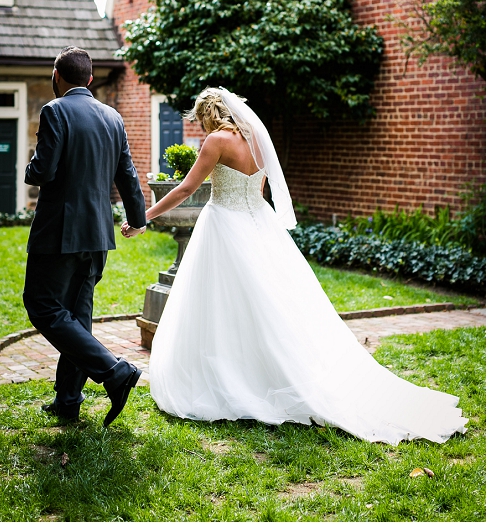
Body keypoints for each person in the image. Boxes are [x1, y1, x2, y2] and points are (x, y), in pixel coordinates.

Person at [123, 87, 467, 444]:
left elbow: (185, 190)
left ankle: (236, 377)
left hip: (224, 225)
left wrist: (142, 218)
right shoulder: (257, 137)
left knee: (224, 307)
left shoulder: (216, 141)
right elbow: (259, 191)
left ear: (209, 114)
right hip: (258, 224)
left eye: (200, 120)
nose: (199, 127)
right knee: (272, 306)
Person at [23, 46, 148, 427]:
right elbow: (127, 174)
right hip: (98, 234)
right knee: (78, 316)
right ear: (90, 79)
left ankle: (114, 372)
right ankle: (68, 401)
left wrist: (31, 163)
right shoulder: (113, 117)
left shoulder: (55, 110)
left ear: (57, 75)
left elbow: (42, 172)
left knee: (42, 306)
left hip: (60, 232)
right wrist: (137, 218)